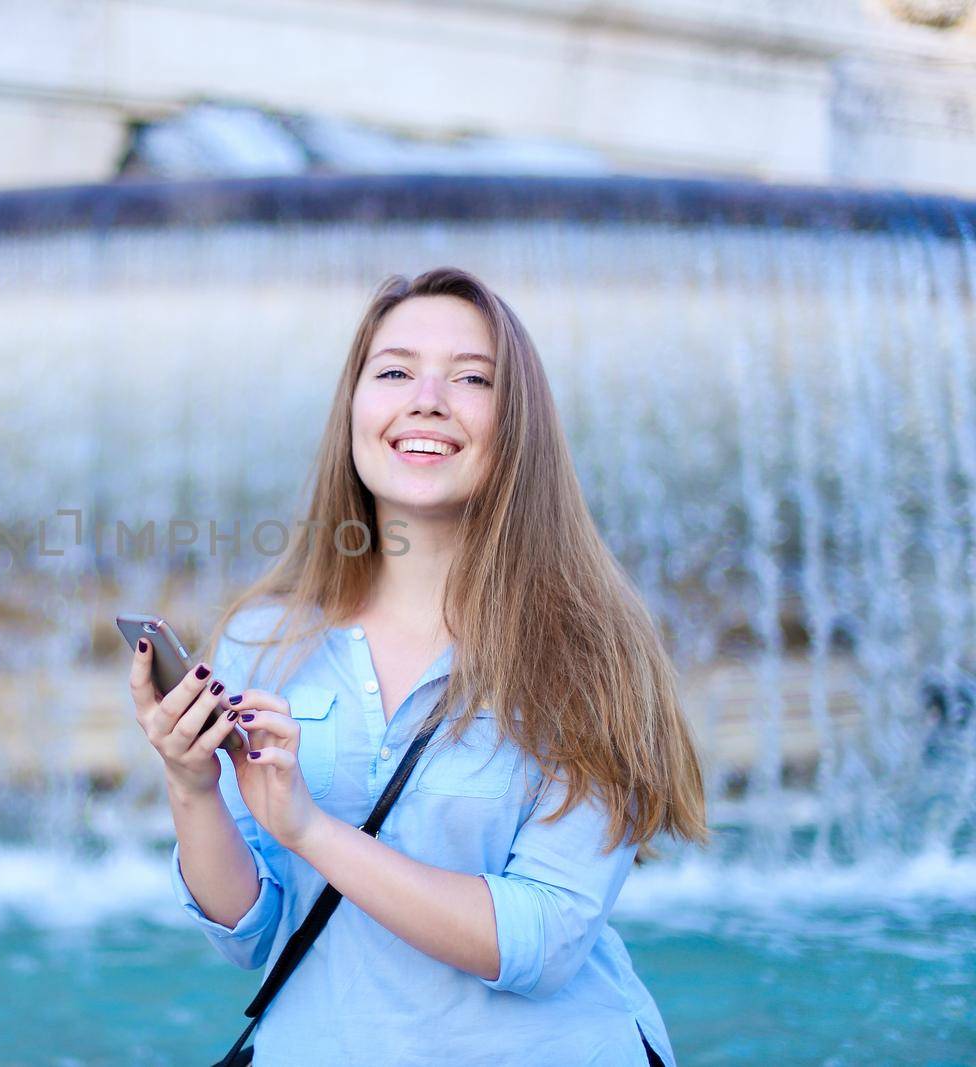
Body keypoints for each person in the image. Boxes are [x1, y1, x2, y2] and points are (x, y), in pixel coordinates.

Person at [128, 267, 709, 1066]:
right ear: (355, 410)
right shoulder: (266, 635)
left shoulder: (591, 650)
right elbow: (250, 929)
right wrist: (191, 787)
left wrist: (310, 827)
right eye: (395, 370)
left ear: (518, 424)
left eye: (471, 378)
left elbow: (541, 941)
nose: (427, 398)